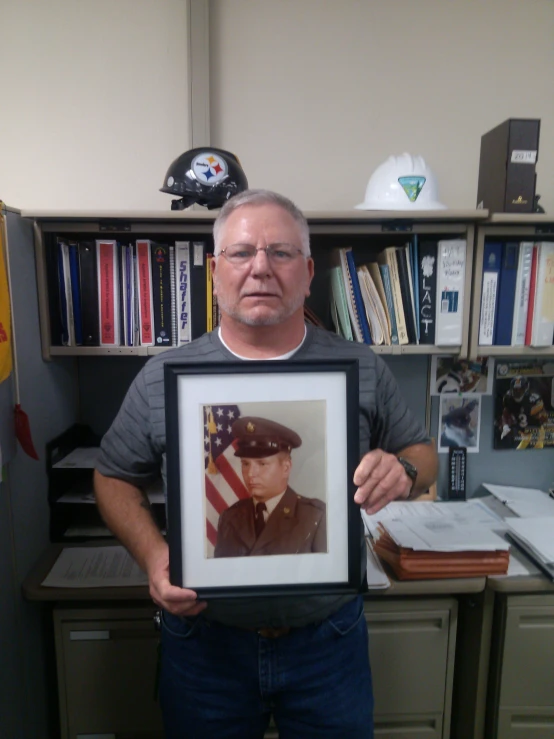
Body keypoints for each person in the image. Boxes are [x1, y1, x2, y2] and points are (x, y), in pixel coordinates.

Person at [94, 189, 438, 739]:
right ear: (215, 271)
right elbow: (112, 477)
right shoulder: (163, 376)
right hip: (205, 647)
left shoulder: (361, 367)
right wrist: (155, 557)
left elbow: (423, 453)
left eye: (280, 253)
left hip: (328, 643)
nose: (260, 268)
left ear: (306, 273)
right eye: (241, 253)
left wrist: (405, 469)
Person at [214, 416, 326, 558]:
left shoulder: (315, 517)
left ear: (286, 468)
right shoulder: (229, 518)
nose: (250, 474)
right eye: (245, 464)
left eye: (262, 464)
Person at [500, 375, 548, 449]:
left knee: (537, 452)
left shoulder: (534, 399)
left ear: (525, 389)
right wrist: (505, 426)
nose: (518, 391)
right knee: (518, 453)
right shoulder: (508, 398)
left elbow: (544, 415)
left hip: (535, 430)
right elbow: (505, 414)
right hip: (522, 432)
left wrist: (542, 416)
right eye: (516, 389)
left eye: (520, 389)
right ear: (511, 389)